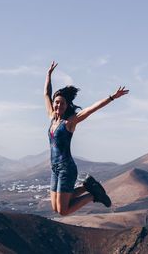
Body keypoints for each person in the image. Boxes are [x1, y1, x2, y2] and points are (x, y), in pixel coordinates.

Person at [44, 61, 129, 216]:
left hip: (66, 169)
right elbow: (46, 94)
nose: (58, 106)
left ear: (67, 105)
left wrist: (112, 97)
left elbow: (92, 109)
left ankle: (92, 195)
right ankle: (87, 186)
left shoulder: (70, 122)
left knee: (63, 211)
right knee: (55, 208)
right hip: (54, 168)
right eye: (56, 102)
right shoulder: (52, 117)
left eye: (62, 103)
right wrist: (48, 75)